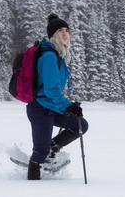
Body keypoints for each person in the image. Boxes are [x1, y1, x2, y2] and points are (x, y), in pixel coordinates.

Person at [26, 13, 89, 180]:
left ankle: (52, 150)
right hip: (40, 108)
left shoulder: (57, 55)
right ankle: (31, 185)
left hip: (52, 107)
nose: (65, 33)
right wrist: (68, 106)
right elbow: (51, 90)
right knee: (39, 152)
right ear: (53, 34)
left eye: (67, 30)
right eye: (60, 30)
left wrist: (68, 105)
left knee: (80, 125)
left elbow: (53, 92)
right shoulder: (48, 56)